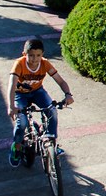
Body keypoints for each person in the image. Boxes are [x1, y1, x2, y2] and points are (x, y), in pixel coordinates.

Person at [6, 38, 74, 167]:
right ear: (24, 54)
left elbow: (60, 81)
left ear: (42, 54)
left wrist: (68, 94)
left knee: (52, 111)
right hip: (20, 95)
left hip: (37, 92)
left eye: (38, 55)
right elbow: (12, 85)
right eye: (31, 56)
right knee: (22, 123)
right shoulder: (19, 64)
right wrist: (11, 106)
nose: (35, 59)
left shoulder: (45, 64)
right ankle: (17, 146)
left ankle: (52, 142)